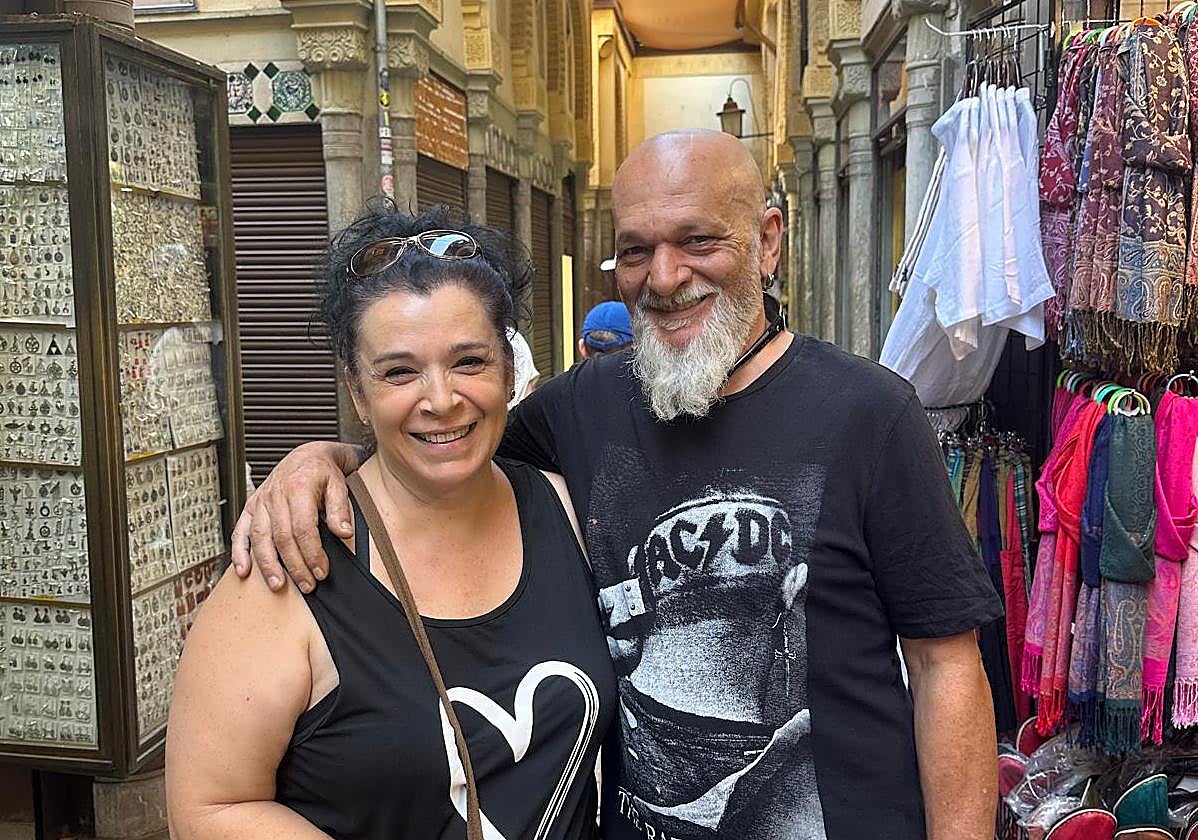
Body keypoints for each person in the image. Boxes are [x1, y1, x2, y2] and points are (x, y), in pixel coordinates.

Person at [232, 130, 1002, 840]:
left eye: (698, 241)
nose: (664, 277)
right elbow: (444, 445)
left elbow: (946, 668)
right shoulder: (581, 406)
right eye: (636, 251)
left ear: (768, 241)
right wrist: (325, 460)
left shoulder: (870, 413)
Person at [166, 206, 616, 839]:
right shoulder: (289, 562)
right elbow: (209, 809)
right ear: (357, 389)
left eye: (469, 362)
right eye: (400, 372)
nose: (441, 399)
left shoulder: (570, 513)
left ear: (510, 369)